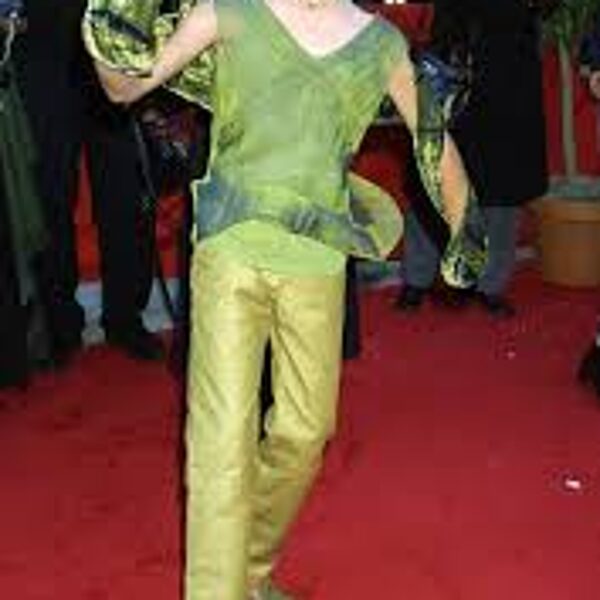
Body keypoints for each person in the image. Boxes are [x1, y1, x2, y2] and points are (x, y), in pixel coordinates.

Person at [83, 0, 485, 597]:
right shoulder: (229, 10)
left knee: (305, 432)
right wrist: (116, 20)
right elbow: (123, 87)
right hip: (230, 251)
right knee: (221, 446)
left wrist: (464, 224)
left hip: (317, 262)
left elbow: (432, 140)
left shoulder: (379, 43)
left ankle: (249, 569)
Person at [17, 0, 164, 363]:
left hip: (111, 36)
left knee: (124, 192)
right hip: (43, 44)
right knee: (50, 193)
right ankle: (58, 325)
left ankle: (125, 317)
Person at [396, 0, 549, 318]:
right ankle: (416, 277)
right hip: (452, 59)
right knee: (431, 176)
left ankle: (490, 285)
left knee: (503, 187)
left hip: (510, 71)